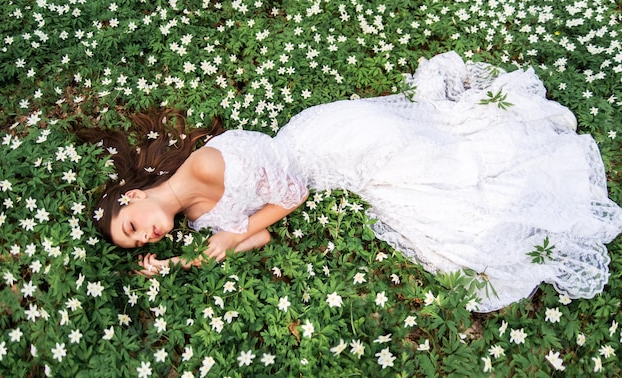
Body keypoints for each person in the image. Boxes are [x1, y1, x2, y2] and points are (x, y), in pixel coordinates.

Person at [80, 52, 622, 312]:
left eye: (132, 225)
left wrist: (232, 232)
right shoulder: (197, 218)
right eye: (139, 243)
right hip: (322, 165)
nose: (146, 236)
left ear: (133, 195)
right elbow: (259, 234)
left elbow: (292, 196)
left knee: (450, 179)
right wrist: (190, 260)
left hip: (334, 144)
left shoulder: (204, 166)